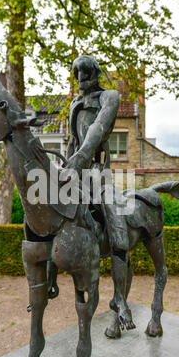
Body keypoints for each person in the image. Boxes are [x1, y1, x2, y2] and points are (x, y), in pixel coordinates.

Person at [64, 55, 134, 330]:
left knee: (117, 224)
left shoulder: (111, 97)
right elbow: (72, 140)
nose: (82, 77)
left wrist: (82, 157)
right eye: (77, 72)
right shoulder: (74, 104)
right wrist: (64, 170)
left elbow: (98, 129)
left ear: (97, 72)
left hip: (98, 172)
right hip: (75, 172)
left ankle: (119, 299)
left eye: (87, 70)